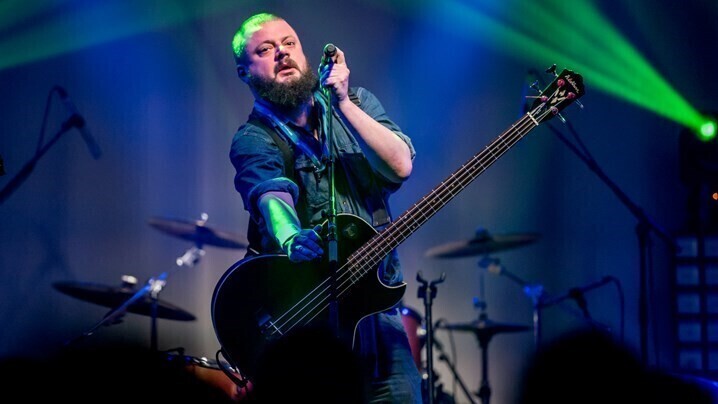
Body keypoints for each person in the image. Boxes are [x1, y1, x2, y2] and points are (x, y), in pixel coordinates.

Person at [228, 12, 423, 403]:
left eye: (289, 43)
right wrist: (291, 236)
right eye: (265, 50)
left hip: (378, 316)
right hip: (310, 333)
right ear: (244, 72)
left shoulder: (356, 102)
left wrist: (344, 104)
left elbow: (400, 165)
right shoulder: (254, 138)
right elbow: (272, 198)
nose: (282, 53)